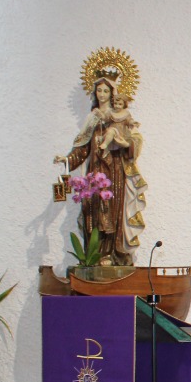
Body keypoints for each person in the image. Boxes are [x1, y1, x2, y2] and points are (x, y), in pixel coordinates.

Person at [56, 68, 147, 264]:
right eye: (99, 91)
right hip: (95, 170)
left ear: (113, 93)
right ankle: (95, 255)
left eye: (106, 91)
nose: (103, 95)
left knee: (112, 210)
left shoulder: (121, 116)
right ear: (95, 93)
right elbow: (82, 148)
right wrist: (67, 160)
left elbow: (135, 141)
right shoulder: (93, 118)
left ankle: (111, 254)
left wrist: (125, 143)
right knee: (95, 210)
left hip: (115, 171)